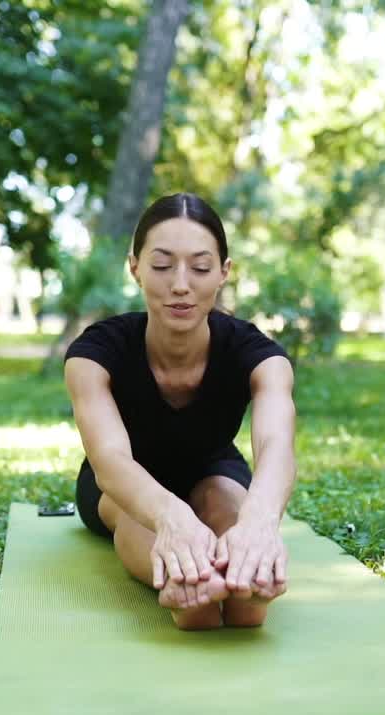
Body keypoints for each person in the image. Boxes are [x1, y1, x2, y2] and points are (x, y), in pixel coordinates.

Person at [64, 192, 296, 631]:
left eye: (201, 267)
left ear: (224, 272)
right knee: (131, 513)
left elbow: (276, 443)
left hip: (215, 468)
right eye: (163, 265)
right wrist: (172, 518)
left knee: (230, 506)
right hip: (121, 481)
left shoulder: (259, 356)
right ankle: (184, 584)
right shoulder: (94, 353)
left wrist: (260, 524)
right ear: (135, 267)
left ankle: (247, 582)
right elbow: (111, 460)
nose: (181, 284)